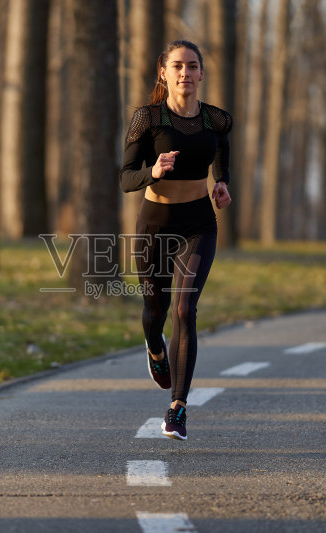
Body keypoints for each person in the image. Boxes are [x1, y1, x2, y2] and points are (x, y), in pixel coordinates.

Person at [119, 40, 232, 441]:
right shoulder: (147, 119)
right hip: (155, 225)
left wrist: (221, 184)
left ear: (202, 74)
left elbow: (221, 155)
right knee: (156, 309)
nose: (185, 73)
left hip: (198, 224)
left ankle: (178, 408)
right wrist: (153, 171)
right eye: (177, 66)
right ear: (163, 73)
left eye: (192, 66)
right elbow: (125, 177)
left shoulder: (216, 120)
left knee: (185, 309)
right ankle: (154, 346)